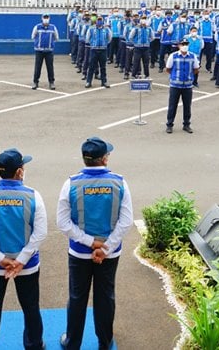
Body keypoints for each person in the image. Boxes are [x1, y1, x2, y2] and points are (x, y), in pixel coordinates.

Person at [57, 137, 133, 350]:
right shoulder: (119, 182)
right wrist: (104, 247)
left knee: (77, 296)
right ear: (105, 159)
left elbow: (63, 222)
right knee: (105, 297)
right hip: (110, 254)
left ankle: (72, 342)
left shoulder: (71, 183)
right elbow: (126, 221)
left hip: (80, 252)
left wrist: (90, 243)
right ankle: (105, 341)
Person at [0, 149, 47, 350]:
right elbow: (40, 233)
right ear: (20, 172)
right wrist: (20, 260)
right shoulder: (33, 196)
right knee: (30, 306)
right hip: (27, 265)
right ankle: (34, 344)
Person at [165, 37, 200, 133]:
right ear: (179, 45)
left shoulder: (193, 56)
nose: (184, 46)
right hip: (175, 85)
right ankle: (169, 124)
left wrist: (189, 77)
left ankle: (186, 124)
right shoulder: (173, 56)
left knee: (187, 106)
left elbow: (196, 69)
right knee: (172, 106)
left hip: (187, 86)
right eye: (183, 44)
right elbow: (168, 69)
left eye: (186, 44)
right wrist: (175, 76)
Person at [31, 14, 59, 90]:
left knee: (50, 67)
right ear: (42, 18)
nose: (46, 19)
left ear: (49, 19)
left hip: (49, 51)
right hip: (39, 51)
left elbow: (57, 38)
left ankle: (51, 82)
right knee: (37, 67)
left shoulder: (53, 27)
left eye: (47, 18)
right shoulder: (37, 27)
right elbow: (33, 36)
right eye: (44, 18)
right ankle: (35, 82)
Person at [86, 15, 112, 88]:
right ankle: (88, 82)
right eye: (98, 20)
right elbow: (87, 38)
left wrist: (105, 43)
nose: (99, 21)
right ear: (96, 21)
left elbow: (109, 38)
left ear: (102, 21)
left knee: (103, 67)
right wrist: (92, 44)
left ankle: (104, 82)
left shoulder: (106, 29)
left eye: (100, 20)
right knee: (91, 66)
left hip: (103, 50)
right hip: (94, 50)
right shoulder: (91, 29)